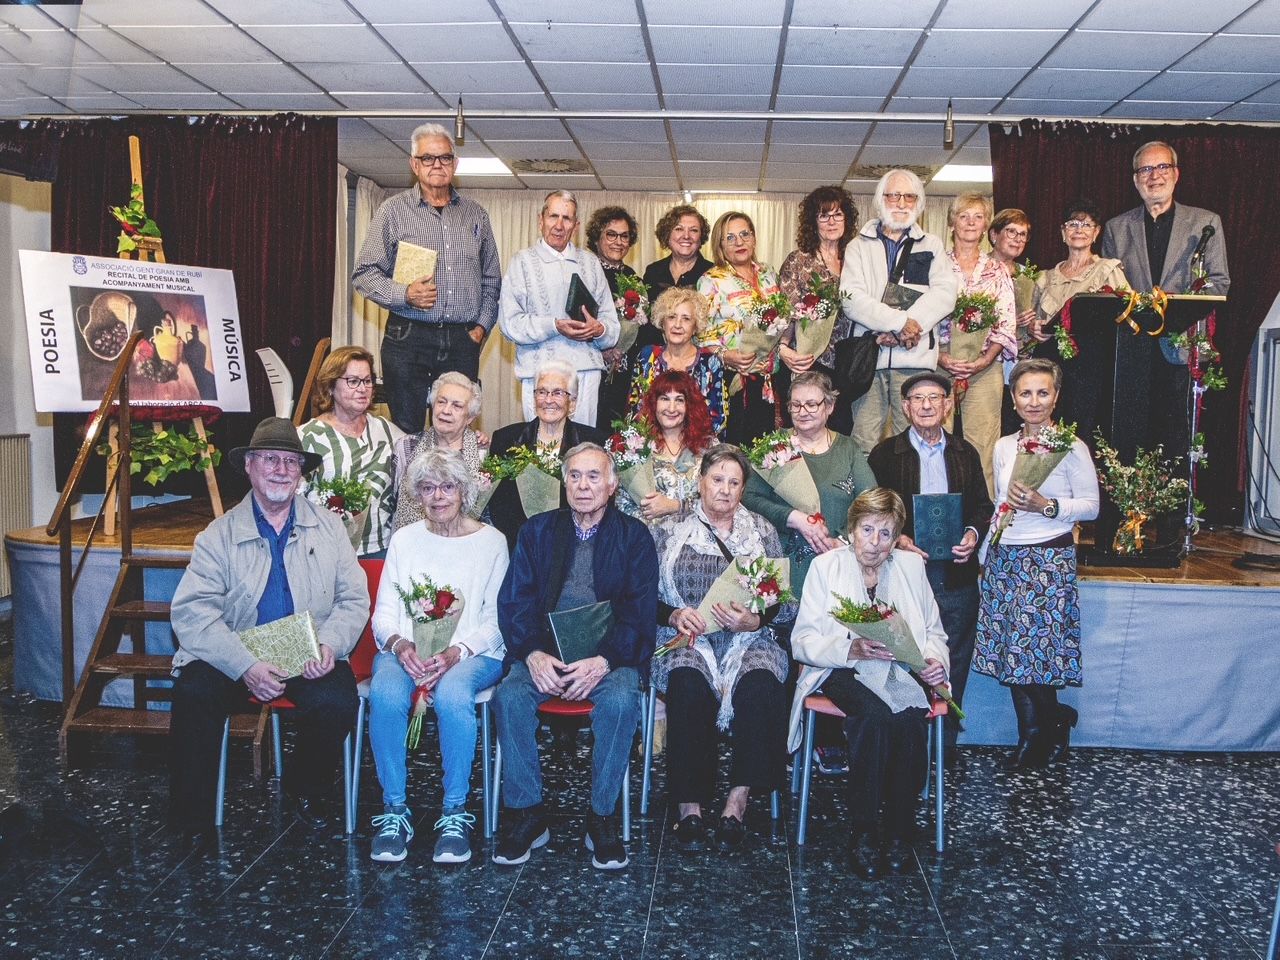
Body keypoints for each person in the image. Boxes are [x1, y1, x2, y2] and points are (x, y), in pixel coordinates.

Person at [168, 418, 366, 837]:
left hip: (307, 650)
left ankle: (304, 785)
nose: (280, 469)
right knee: (194, 689)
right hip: (239, 652)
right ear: (250, 466)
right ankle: (190, 812)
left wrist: (330, 644)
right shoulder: (217, 536)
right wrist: (244, 665)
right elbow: (193, 613)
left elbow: (353, 599)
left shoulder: (330, 527)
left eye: (290, 462)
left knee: (337, 701)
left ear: (300, 472)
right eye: (270, 460)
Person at [492, 443, 658, 870]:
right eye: (575, 476)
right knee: (509, 697)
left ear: (612, 484)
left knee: (621, 701)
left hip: (609, 658)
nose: (584, 486)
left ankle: (601, 816)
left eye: (593, 476)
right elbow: (515, 603)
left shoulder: (634, 537)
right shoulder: (537, 532)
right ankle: (528, 813)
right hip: (544, 653)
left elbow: (639, 613)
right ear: (563, 482)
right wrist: (532, 654)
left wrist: (602, 660)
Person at [790, 488, 949, 877]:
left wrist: (934, 661)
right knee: (875, 717)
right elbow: (803, 641)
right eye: (867, 530)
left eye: (886, 533)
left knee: (911, 715)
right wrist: (851, 647)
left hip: (900, 667)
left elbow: (933, 632)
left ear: (897, 538)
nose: (875, 543)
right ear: (852, 528)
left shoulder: (912, 568)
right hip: (842, 668)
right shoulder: (825, 567)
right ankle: (863, 830)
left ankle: (899, 829)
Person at [366, 449, 509, 864]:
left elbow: (498, 619)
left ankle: (455, 812)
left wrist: (455, 652)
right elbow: (385, 612)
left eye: (447, 487)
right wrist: (399, 645)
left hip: (473, 653)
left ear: (464, 491)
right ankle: (394, 810)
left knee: (451, 696)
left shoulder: (492, 542)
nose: (438, 496)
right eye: (427, 488)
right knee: (387, 694)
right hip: (407, 650)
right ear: (417, 495)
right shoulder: (405, 540)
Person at [653, 444, 795, 852]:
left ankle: (737, 801)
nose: (725, 490)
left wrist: (757, 619)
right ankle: (689, 806)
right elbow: (641, 594)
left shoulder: (763, 531)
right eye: (717, 480)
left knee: (762, 685)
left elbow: (782, 602)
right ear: (700, 482)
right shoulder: (668, 528)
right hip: (688, 636)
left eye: (735, 482)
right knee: (687, 685)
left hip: (748, 636)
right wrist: (674, 614)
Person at [1101, 141, 1230, 546]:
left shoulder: (1205, 222)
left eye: (1161, 168)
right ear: (1134, 179)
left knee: (1173, 441)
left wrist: (1173, 306)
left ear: (1176, 173)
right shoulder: (1116, 228)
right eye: (1144, 170)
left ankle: (1171, 532)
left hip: (1178, 350)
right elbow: (1107, 290)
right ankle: (1127, 528)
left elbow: (1219, 283)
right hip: (1131, 352)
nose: (1153, 176)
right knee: (1127, 440)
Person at [974, 359, 1099, 769]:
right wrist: (985, 552)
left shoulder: (1071, 446)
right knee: (1015, 650)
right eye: (1025, 393)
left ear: (1056, 397)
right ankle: (1041, 728)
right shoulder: (1004, 446)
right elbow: (1000, 505)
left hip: (1047, 556)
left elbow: (1092, 507)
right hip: (1006, 556)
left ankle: (1046, 726)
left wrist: (1047, 506)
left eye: (1042, 392)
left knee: (1031, 652)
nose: (1034, 401)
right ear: (1012, 399)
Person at [868, 371, 993, 756]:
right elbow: (874, 511)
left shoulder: (964, 451)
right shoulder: (885, 454)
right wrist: (898, 538)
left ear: (947, 404)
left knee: (952, 659)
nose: (926, 405)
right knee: (904, 653)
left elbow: (983, 507)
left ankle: (945, 745)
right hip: (905, 572)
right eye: (917, 398)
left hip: (955, 573)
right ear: (904, 407)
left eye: (934, 398)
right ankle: (907, 743)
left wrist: (972, 534)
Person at [352, 122, 500, 434]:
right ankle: (406, 485)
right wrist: (404, 293)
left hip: (462, 340)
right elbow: (364, 274)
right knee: (407, 430)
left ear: (455, 164)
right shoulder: (392, 212)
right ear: (414, 164)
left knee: (456, 428)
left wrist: (481, 329)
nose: (437, 165)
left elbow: (491, 279)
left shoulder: (476, 215)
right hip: (408, 338)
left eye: (444, 158)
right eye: (428, 158)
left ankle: (452, 486)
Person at [840, 168, 959, 457]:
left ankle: (909, 502)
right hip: (869, 362)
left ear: (918, 203)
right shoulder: (857, 246)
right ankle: (869, 503)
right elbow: (851, 298)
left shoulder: (931, 244)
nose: (902, 203)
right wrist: (899, 323)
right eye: (894, 195)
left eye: (909, 196)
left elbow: (945, 294)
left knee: (915, 443)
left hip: (915, 360)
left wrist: (911, 326)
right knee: (863, 444)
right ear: (880, 200)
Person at [743, 370, 877, 596]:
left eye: (811, 404)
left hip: (838, 561)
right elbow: (748, 498)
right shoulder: (774, 446)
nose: (803, 412)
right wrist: (792, 517)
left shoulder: (848, 449)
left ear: (829, 407)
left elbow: (871, 504)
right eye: (796, 405)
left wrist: (844, 541)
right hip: (784, 568)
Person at [499, 190, 620, 427]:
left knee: (581, 452)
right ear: (540, 219)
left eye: (566, 218)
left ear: (575, 225)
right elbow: (509, 324)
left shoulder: (591, 263)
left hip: (585, 372)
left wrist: (598, 329)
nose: (559, 225)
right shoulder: (522, 262)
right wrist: (554, 325)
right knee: (541, 453)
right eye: (553, 216)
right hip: (538, 372)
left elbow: (612, 327)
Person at [1032, 199, 1129, 443]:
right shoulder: (1045, 278)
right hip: (1051, 364)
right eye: (1073, 224)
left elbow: (1128, 314)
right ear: (1063, 233)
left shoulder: (1108, 270)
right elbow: (1032, 322)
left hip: (1091, 364)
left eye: (1086, 224)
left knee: (1085, 430)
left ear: (1096, 233)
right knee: (1050, 430)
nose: (1079, 229)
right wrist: (1033, 328)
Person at [939, 194, 1017, 496]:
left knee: (984, 445)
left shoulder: (997, 270)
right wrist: (943, 357)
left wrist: (985, 359)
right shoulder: (935, 266)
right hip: (940, 368)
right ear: (951, 223)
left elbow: (1006, 320)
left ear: (986, 225)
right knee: (936, 443)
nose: (971, 222)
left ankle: (983, 521)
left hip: (986, 369)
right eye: (963, 216)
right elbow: (922, 317)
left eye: (978, 216)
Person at [487, 359, 608, 550]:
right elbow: (498, 503)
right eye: (541, 392)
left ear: (573, 402)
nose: (548, 400)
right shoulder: (506, 439)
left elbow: (602, 499)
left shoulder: (595, 442)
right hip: (518, 543)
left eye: (558, 393)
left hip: (576, 543)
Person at [300, 346, 404, 558]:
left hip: (381, 549)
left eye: (367, 381)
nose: (363, 388)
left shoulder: (386, 430)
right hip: (326, 552)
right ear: (330, 386)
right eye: (353, 381)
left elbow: (426, 457)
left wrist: (472, 441)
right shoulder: (308, 437)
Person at [697, 211, 784, 445]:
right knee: (736, 453)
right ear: (720, 246)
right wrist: (726, 356)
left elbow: (782, 319)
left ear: (754, 239)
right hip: (733, 380)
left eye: (745, 234)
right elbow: (699, 335)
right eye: (730, 237)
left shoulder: (768, 273)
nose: (739, 242)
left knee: (768, 453)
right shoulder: (711, 280)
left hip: (771, 378)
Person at [778, 186, 858, 433]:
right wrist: (782, 348)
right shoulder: (799, 260)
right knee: (804, 435)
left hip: (849, 367)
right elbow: (786, 312)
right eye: (824, 215)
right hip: (807, 362)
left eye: (838, 215)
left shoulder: (857, 259)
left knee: (842, 434)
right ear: (813, 222)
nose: (831, 222)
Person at [585, 205, 656, 430]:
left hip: (627, 373)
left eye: (624, 236)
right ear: (597, 238)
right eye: (611, 234)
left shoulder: (633, 277)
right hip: (593, 366)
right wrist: (603, 350)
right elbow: (579, 320)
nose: (619, 242)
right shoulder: (586, 272)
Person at [390, 371, 486, 534]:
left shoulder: (482, 453)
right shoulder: (407, 446)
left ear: (469, 417)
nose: (446, 411)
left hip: (465, 545)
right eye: (441, 402)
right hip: (413, 544)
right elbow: (392, 502)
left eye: (457, 406)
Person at [617, 369, 715, 525]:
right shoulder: (635, 446)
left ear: (689, 406)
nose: (671, 408)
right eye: (664, 399)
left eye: (679, 400)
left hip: (699, 536)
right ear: (654, 403)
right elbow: (622, 502)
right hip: (648, 538)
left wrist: (675, 506)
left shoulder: (709, 446)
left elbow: (721, 500)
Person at [628, 287, 726, 437]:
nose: (677, 325)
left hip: (696, 447)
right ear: (663, 322)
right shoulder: (647, 356)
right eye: (671, 317)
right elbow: (634, 409)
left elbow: (718, 419)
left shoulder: (710, 362)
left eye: (686, 319)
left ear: (696, 326)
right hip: (651, 443)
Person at [988, 208, 1036, 436]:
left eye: (1023, 234)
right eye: (1011, 232)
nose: (1018, 239)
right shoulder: (979, 270)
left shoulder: (1030, 275)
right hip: (988, 365)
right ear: (994, 235)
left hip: (1019, 367)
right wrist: (1009, 324)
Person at [643, 204, 713, 297]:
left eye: (694, 230)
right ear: (667, 235)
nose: (686, 236)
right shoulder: (653, 271)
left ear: (701, 237)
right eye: (679, 229)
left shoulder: (713, 273)